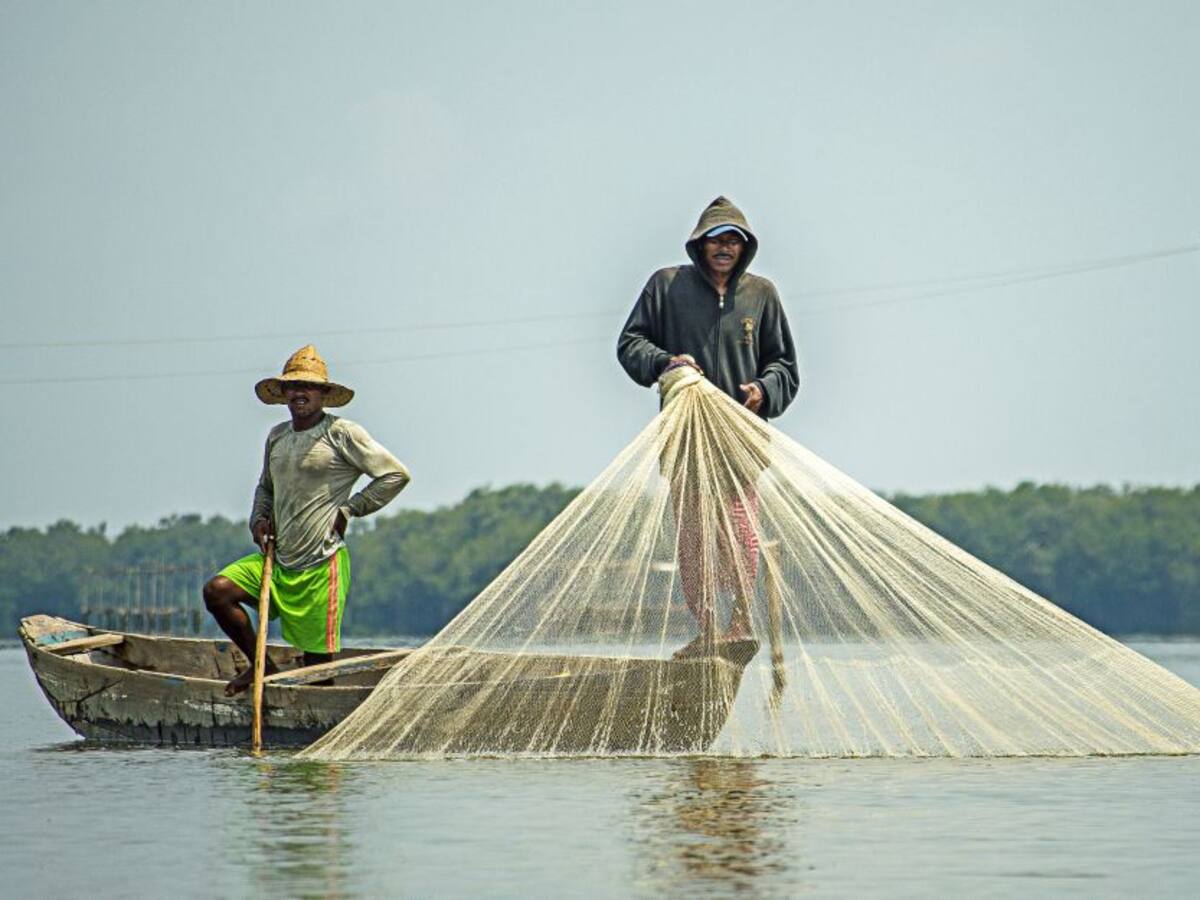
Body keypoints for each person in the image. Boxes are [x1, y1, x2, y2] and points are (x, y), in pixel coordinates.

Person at [617, 196, 799, 654]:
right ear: (700, 245)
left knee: (739, 533)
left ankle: (738, 623)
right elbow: (630, 343)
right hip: (685, 440)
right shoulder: (667, 286)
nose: (724, 248)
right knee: (695, 541)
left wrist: (763, 389)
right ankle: (709, 629)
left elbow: (784, 366)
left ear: (744, 249)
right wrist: (665, 362)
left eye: (733, 241)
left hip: (740, 441)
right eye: (716, 239)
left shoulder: (762, 294)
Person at [203, 345, 411, 695]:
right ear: (283, 394)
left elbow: (395, 475)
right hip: (279, 559)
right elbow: (265, 487)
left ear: (324, 395)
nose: (300, 393)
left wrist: (350, 509)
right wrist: (258, 520)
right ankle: (262, 668)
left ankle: (318, 735)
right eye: (293, 387)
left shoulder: (342, 433)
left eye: (310, 387)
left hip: (321, 563)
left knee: (317, 671)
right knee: (218, 592)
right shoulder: (278, 437)